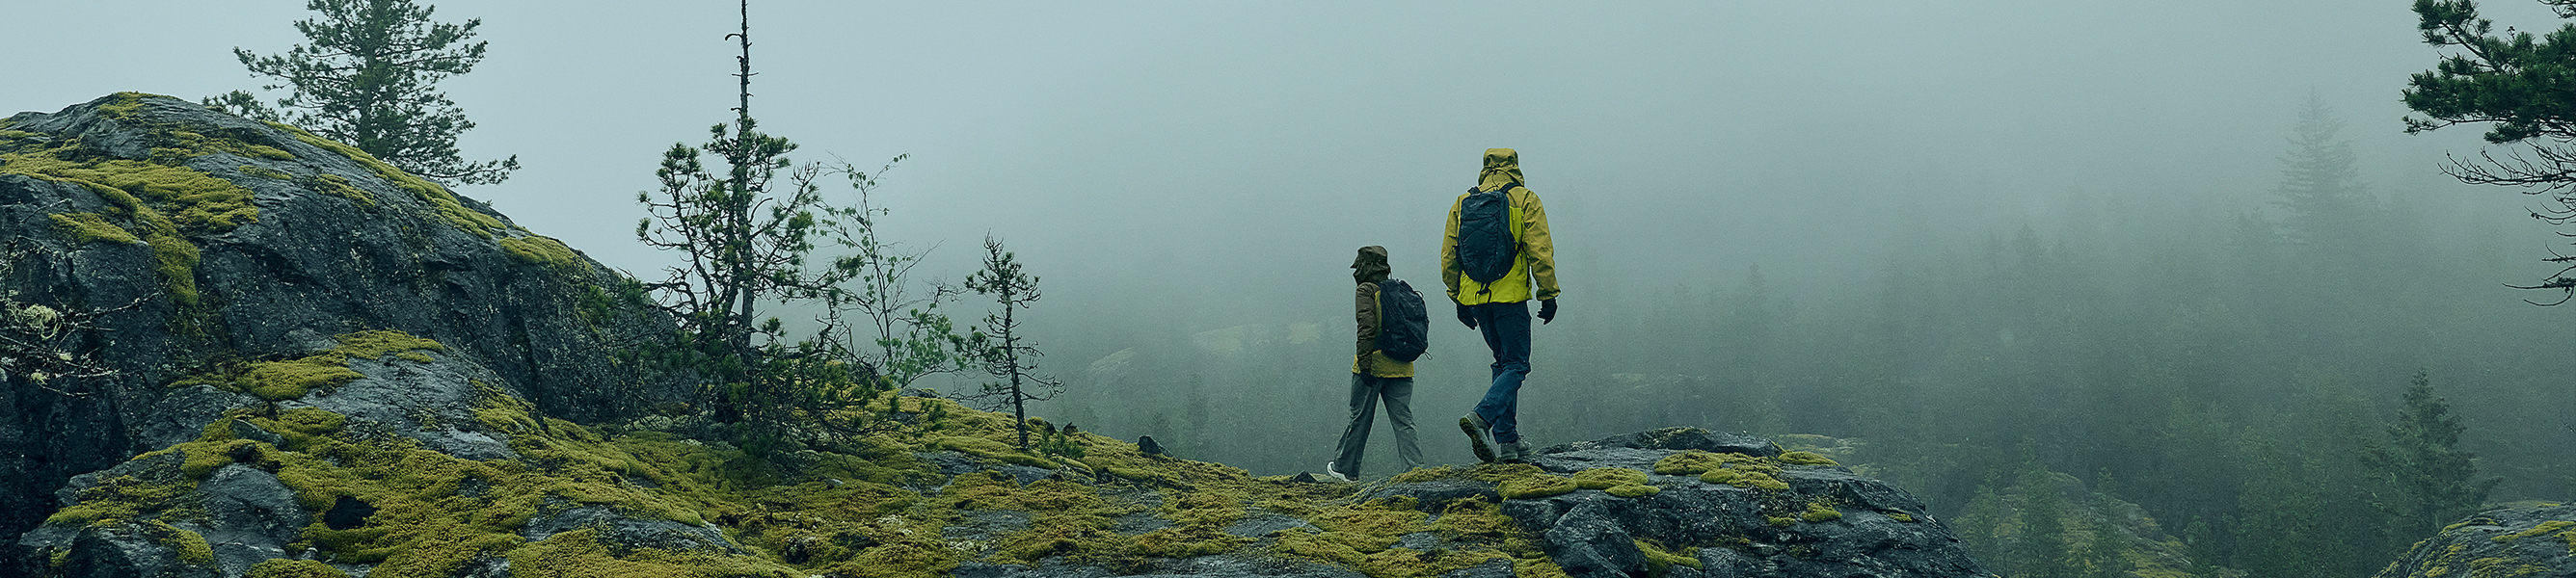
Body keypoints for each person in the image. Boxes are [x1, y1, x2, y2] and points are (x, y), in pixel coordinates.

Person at [1442, 148, 1558, 464]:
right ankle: (1482, 417)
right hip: (1510, 298)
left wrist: (1457, 296)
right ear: (1515, 166)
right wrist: (1548, 293)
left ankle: (1508, 440)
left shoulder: (1463, 202)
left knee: (1503, 362)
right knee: (1517, 364)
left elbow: (1450, 254)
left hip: (1476, 298)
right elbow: (1539, 250)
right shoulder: (1525, 199)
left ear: (1485, 168)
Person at [1328, 246, 1424, 481]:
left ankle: (1344, 469)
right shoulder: (1398, 290)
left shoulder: (1366, 290)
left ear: (1365, 266)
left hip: (1374, 364)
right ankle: (1415, 470)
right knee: (1404, 422)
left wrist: (1364, 365)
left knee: (1360, 418)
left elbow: (1367, 327)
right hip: (1402, 366)